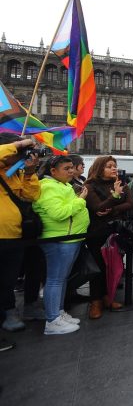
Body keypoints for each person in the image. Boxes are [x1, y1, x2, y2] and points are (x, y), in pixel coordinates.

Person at [33, 156, 89, 335]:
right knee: (55, 279)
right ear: (53, 171)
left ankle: (59, 312)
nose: (71, 171)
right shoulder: (47, 187)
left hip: (70, 237)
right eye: (66, 168)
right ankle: (52, 320)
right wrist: (81, 200)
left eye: (72, 167)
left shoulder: (63, 185)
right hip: (58, 239)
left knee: (62, 278)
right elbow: (59, 213)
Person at [84, 156, 133, 319]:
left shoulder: (121, 184)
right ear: (100, 168)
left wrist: (112, 209)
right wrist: (114, 197)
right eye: (109, 166)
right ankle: (96, 301)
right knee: (98, 268)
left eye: (115, 166)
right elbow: (97, 207)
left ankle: (108, 297)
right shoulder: (90, 186)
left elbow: (130, 203)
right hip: (97, 233)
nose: (114, 169)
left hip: (115, 230)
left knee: (112, 266)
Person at [0, 136, 40, 341]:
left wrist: (30, 172)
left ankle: (8, 310)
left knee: (7, 279)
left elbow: (31, 195)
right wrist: (18, 145)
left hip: (13, 234)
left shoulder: (14, 173)